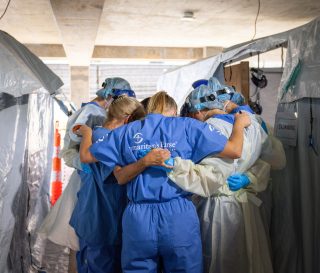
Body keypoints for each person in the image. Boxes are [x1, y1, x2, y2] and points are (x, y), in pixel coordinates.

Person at [79, 91, 251, 273]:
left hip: (138, 218)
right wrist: (239, 125)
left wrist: (87, 132)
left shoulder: (126, 131)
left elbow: (86, 156)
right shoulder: (187, 126)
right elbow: (235, 150)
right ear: (174, 110)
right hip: (178, 214)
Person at [168, 81, 285, 273]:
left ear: (198, 109)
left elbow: (206, 178)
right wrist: (250, 177)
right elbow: (278, 160)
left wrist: (174, 166)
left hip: (216, 208)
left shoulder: (208, 129)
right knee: (250, 260)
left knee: (219, 259)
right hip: (246, 206)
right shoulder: (252, 124)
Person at [71, 96, 170, 273]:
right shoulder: (109, 138)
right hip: (103, 218)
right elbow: (120, 175)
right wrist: (144, 160)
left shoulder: (98, 134)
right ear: (128, 120)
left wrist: (87, 134)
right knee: (103, 265)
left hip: (92, 215)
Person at [39, 77, 136, 251]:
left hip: (90, 173)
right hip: (90, 174)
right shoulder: (93, 112)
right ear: (111, 98)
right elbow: (78, 136)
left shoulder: (93, 111)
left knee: (81, 241)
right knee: (85, 238)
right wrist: (93, 134)